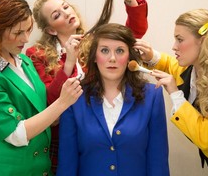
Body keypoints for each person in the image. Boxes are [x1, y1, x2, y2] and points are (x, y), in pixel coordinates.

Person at [25, 0, 148, 174]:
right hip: (63, 140)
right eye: (56, 15)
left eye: (65, 7)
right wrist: (70, 61)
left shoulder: (96, 41)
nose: (66, 13)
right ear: (50, 30)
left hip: (100, 134)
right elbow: (49, 102)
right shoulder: (37, 55)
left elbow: (133, 34)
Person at [0, 0, 83, 176]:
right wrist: (63, 103)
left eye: (28, 30)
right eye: (18, 33)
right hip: (2, 169)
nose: (25, 38)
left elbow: (41, 108)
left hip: (37, 166)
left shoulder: (24, 60)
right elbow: (16, 134)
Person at [134, 8, 208, 176]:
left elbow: (207, 137)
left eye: (180, 40)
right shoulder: (193, 66)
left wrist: (175, 94)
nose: (174, 46)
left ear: (203, 41)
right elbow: (171, 64)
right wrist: (151, 56)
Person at [56, 23, 170, 176]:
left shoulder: (152, 95)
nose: (112, 58)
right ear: (94, 57)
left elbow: (158, 161)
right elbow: (67, 163)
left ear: (129, 56)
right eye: (104, 51)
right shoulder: (74, 96)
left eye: (120, 51)